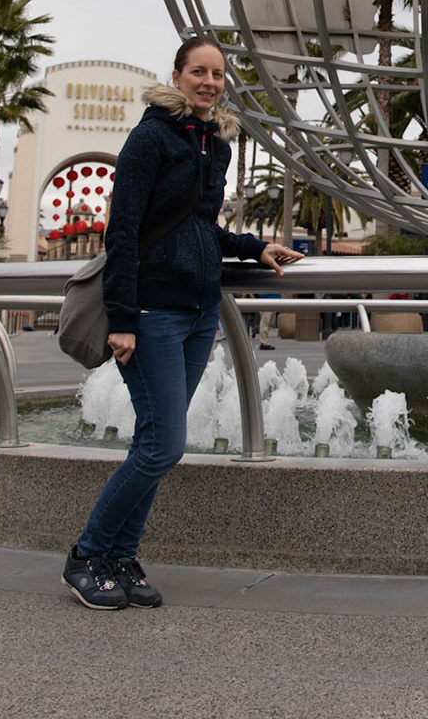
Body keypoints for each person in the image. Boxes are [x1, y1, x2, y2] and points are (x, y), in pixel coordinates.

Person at [64, 37, 304, 610]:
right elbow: (123, 230)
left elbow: (200, 227)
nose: (209, 82)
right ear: (176, 76)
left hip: (198, 314)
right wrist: (123, 319)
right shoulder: (150, 138)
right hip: (151, 314)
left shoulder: (214, 145)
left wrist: (252, 247)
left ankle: (121, 559)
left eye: (218, 75)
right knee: (163, 446)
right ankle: (86, 556)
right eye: (199, 71)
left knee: (154, 442)